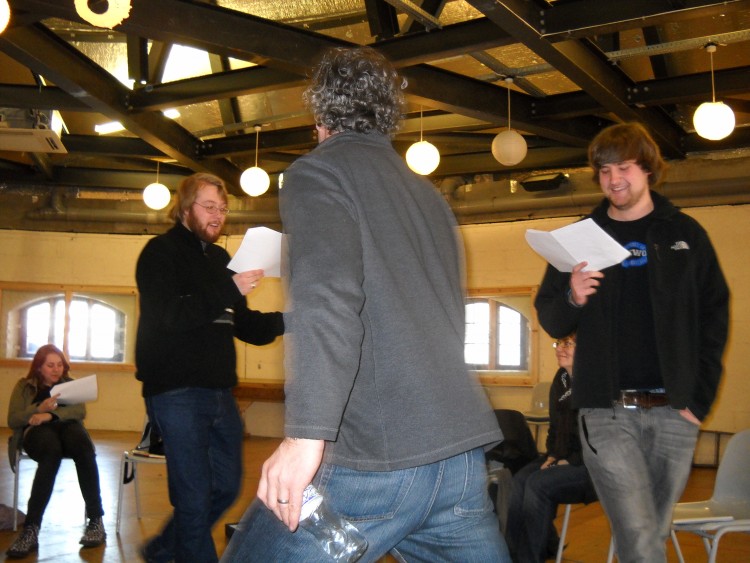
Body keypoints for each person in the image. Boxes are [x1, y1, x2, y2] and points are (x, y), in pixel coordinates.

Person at [221, 46, 509, 562]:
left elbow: (328, 301)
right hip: (458, 457)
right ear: (387, 115)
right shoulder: (428, 196)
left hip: (374, 464)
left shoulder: (318, 173)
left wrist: (304, 437)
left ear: (319, 118)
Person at [534, 122, 729, 563]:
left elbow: (714, 317)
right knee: (640, 534)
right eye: (603, 171)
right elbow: (550, 317)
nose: (613, 179)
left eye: (623, 167)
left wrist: (698, 401)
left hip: (675, 413)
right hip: (606, 412)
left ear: (647, 169)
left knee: (648, 535)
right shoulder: (580, 237)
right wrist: (573, 295)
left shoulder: (685, 234)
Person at [135, 172, 285, 563]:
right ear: (185, 208)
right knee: (193, 495)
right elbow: (171, 316)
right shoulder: (159, 253)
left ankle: (165, 548)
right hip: (175, 392)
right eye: (209, 206)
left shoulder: (221, 260)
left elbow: (245, 325)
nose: (218, 215)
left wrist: (294, 319)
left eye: (223, 208)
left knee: (227, 485)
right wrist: (229, 288)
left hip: (219, 392)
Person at [6, 344, 106, 558]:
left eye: (59, 365)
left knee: (83, 447)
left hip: (66, 428)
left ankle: (96, 520)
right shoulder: (24, 386)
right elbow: (13, 418)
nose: (56, 369)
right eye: (50, 365)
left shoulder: (69, 384)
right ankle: (31, 529)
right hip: (36, 433)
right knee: (51, 452)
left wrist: (50, 415)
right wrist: (38, 410)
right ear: (39, 367)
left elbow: (80, 410)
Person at [505, 334, 597, 563]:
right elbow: (555, 427)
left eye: (568, 344)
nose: (559, 349)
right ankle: (511, 555)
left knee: (537, 484)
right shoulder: (561, 379)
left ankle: (530, 558)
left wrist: (569, 460)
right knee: (519, 480)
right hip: (563, 456)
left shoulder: (595, 383)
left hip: (591, 466)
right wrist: (553, 455)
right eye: (558, 343)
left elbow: (597, 438)